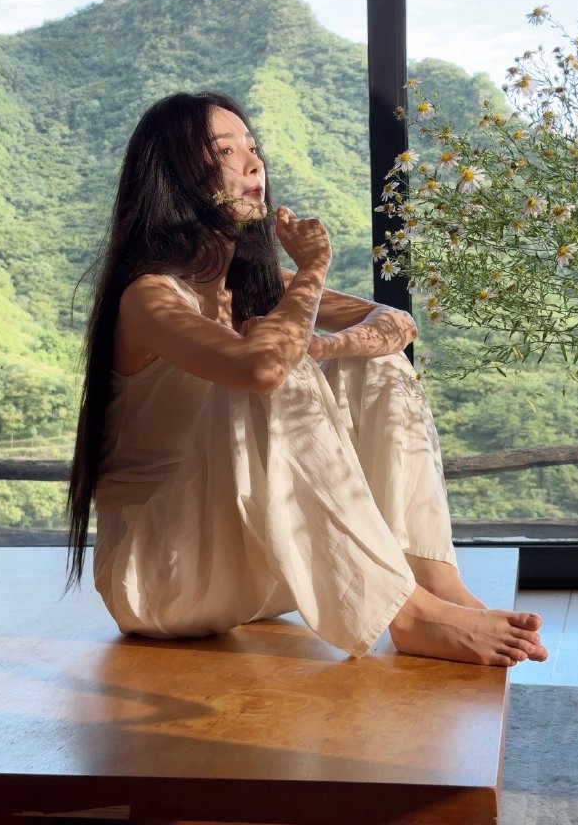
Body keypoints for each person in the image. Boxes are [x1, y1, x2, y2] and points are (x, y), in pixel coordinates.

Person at [67, 90, 548, 667]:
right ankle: (408, 615)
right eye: (225, 151)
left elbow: (397, 323)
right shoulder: (149, 297)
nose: (254, 164)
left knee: (374, 360)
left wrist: (329, 344)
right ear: (175, 177)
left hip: (260, 565)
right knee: (279, 365)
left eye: (252, 147)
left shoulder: (256, 281)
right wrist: (313, 271)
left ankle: (436, 585)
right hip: (159, 579)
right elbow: (265, 367)